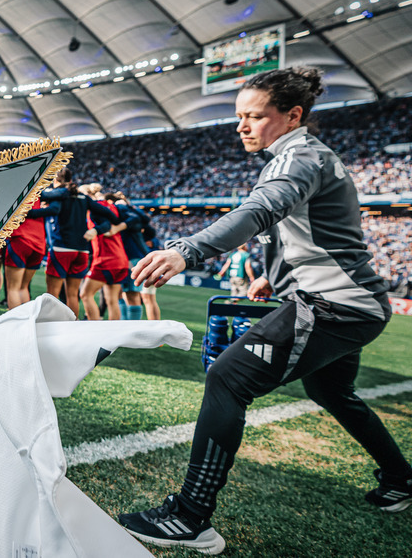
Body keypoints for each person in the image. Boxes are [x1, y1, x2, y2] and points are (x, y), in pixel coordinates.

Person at [119, 67, 412, 555]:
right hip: (355, 302)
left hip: (334, 305)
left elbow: (259, 212)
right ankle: (401, 478)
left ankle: (190, 517)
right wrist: (271, 278)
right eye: (239, 116)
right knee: (333, 391)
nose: (241, 126)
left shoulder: (297, 158)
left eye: (254, 115)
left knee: (228, 379)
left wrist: (184, 250)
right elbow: (305, 231)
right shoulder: (308, 157)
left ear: (293, 115)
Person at [30, 169, 119, 319]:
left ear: (56, 180)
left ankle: (51, 328)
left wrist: (28, 213)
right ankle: (72, 327)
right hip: (82, 250)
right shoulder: (83, 197)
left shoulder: (58, 195)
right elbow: (110, 215)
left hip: (61, 248)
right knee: (73, 294)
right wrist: (97, 230)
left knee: (52, 294)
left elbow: (51, 209)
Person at [78, 188, 129, 320]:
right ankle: (112, 335)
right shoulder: (111, 207)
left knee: (85, 294)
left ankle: (96, 330)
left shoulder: (97, 207)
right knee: (112, 300)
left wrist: (95, 231)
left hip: (106, 259)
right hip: (120, 258)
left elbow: (106, 224)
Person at [114, 191, 161, 321]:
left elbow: (148, 227)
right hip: (141, 258)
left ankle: (151, 332)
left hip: (137, 259)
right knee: (127, 295)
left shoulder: (130, 220)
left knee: (144, 297)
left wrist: (128, 207)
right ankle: (126, 325)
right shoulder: (138, 225)